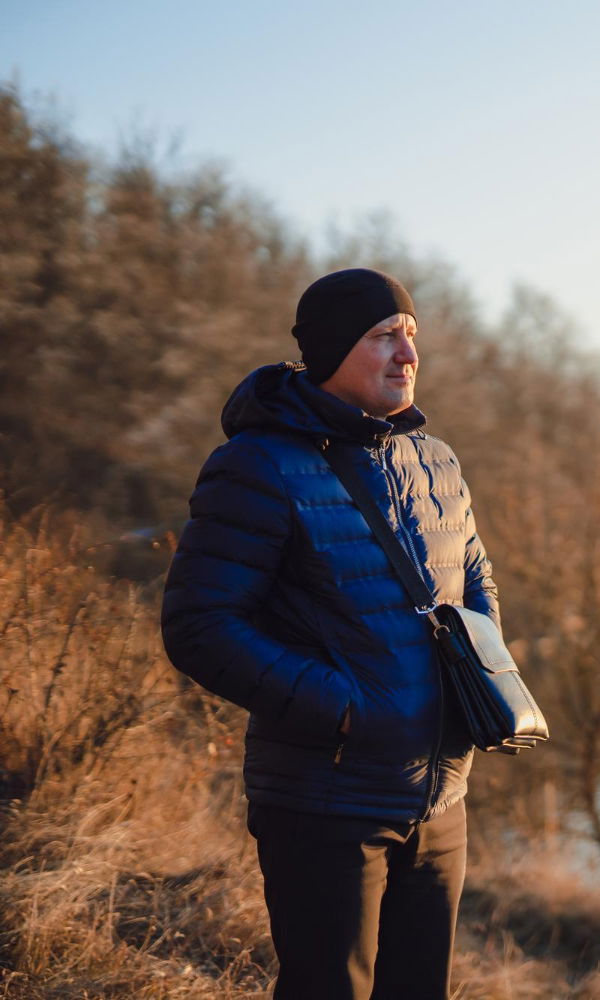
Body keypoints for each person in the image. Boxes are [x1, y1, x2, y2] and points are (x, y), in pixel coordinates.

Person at [161, 267, 498, 999]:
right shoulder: (258, 466)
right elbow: (200, 625)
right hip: (326, 799)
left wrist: (483, 686)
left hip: (439, 799)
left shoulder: (435, 460)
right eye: (384, 337)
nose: (407, 354)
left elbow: (475, 580)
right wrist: (344, 708)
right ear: (330, 351)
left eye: (411, 335)